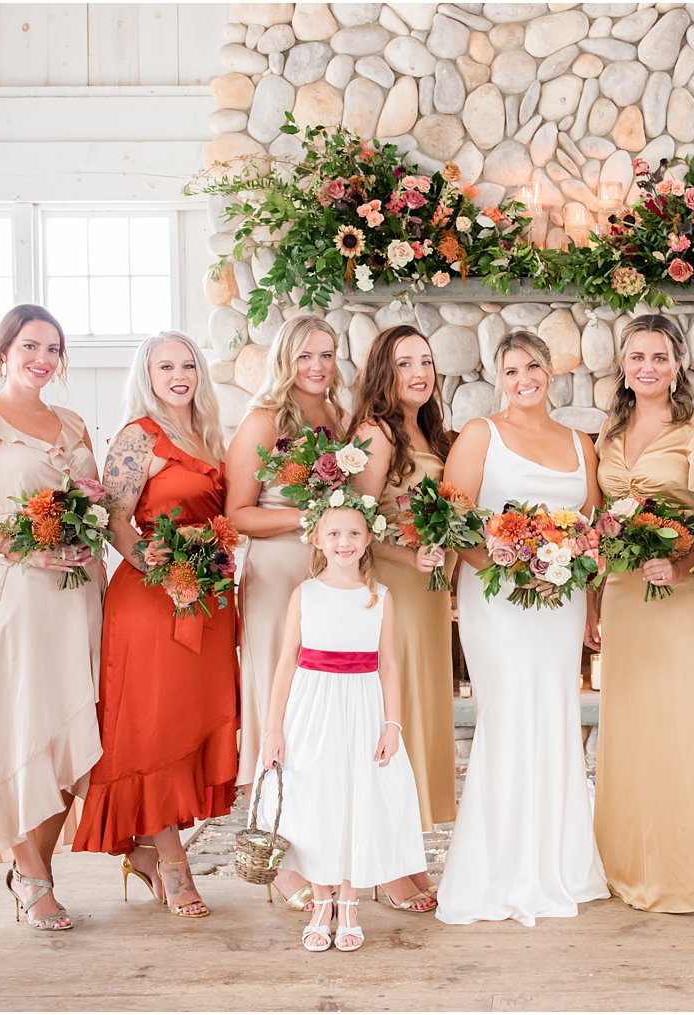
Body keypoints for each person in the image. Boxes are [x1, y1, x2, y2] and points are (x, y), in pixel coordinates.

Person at [0, 304, 103, 931]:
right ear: (3, 351)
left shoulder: (74, 423)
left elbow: (96, 503)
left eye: (53, 349)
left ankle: (40, 868)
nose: (42, 359)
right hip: (22, 598)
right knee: (26, 725)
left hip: (82, 591)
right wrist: (27, 546)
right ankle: (31, 874)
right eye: (30, 346)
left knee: (72, 733)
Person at [435, 330, 608, 926]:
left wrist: (584, 598)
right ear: (497, 378)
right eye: (510, 370)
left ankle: (559, 860)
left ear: (551, 370)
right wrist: (513, 566)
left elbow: (590, 527)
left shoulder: (580, 442)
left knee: (555, 715)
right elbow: (453, 522)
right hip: (498, 600)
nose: (523, 378)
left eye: (533, 366)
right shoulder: (481, 435)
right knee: (508, 717)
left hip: (560, 602)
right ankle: (498, 868)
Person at [72, 331, 239, 919]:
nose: (179, 375)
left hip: (210, 600)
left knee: (192, 720)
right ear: (146, 373)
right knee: (156, 728)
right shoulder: (135, 436)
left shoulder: (213, 435)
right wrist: (157, 565)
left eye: (188, 364)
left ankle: (147, 851)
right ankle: (172, 865)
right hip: (153, 601)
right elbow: (113, 518)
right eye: (165, 365)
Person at [589, 314, 694, 913]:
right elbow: (602, 522)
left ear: (677, 364)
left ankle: (687, 871)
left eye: (658, 356)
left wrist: (681, 566)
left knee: (684, 727)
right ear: (622, 365)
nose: (646, 367)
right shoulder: (608, 434)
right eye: (636, 356)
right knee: (630, 729)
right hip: (627, 595)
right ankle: (626, 864)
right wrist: (595, 598)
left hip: (687, 595)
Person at [255, 496, 427, 952]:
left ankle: (349, 903)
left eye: (353, 533)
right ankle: (322, 903)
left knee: (357, 798)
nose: (344, 542)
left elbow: (389, 665)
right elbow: (286, 664)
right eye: (333, 533)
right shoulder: (305, 593)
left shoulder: (380, 597)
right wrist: (274, 729)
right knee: (318, 801)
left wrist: (393, 725)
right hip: (312, 707)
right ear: (316, 538)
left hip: (364, 706)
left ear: (369, 537)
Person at [225, 315, 347, 912]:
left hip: (331, 576)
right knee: (273, 699)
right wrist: (308, 521)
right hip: (277, 575)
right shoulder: (263, 421)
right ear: (285, 359)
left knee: (316, 709)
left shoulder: (340, 420)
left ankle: (317, 844)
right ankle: (270, 857)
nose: (317, 366)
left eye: (326, 354)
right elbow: (238, 514)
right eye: (305, 356)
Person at [346, 324, 459, 913]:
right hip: (395, 588)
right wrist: (409, 555)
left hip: (431, 589)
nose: (419, 373)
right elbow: (357, 519)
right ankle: (387, 867)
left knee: (418, 713)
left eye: (427, 362)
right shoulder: (376, 432)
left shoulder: (428, 430)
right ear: (383, 372)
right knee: (395, 714)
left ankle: (407, 857)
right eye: (406, 362)